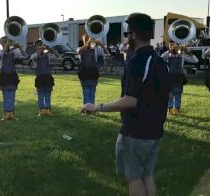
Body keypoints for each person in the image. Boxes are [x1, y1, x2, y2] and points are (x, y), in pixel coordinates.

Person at [83, 13, 171, 196]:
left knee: (134, 178)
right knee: (147, 175)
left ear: (135, 35)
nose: (126, 38)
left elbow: (131, 100)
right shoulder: (160, 61)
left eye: (127, 34)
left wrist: (97, 107)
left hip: (136, 132)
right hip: (155, 129)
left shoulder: (138, 61)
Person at [161, 41, 198, 115]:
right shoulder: (167, 55)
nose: (172, 47)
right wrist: (169, 51)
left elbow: (196, 60)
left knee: (178, 93)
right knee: (170, 94)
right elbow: (160, 58)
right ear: (169, 46)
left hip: (179, 77)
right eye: (170, 45)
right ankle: (170, 109)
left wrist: (187, 52)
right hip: (169, 77)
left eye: (173, 45)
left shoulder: (182, 55)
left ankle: (177, 109)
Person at [77, 34, 110, 114]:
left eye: (89, 39)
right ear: (84, 41)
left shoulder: (95, 49)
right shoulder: (80, 49)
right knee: (86, 93)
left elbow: (108, 53)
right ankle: (85, 109)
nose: (88, 41)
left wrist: (101, 44)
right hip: (84, 74)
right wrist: (88, 42)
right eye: (86, 40)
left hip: (93, 74)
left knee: (92, 93)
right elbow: (80, 51)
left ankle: (91, 110)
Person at [0, 36, 28, 120]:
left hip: (12, 76)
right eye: (3, 42)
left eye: (6, 41)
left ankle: (12, 114)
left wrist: (20, 48)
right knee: (5, 96)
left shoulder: (13, 53)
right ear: (1, 43)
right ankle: (6, 114)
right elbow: (0, 55)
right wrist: (7, 46)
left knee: (12, 96)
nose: (5, 43)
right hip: (4, 76)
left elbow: (25, 56)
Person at [30, 40, 61, 116]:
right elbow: (34, 58)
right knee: (40, 95)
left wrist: (51, 49)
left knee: (48, 94)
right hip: (40, 77)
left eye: (41, 44)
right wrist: (39, 51)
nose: (40, 46)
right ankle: (41, 110)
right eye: (38, 45)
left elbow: (59, 57)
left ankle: (47, 109)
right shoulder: (34, 55)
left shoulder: (48, 55)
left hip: (48, 77)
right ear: (35, 47)